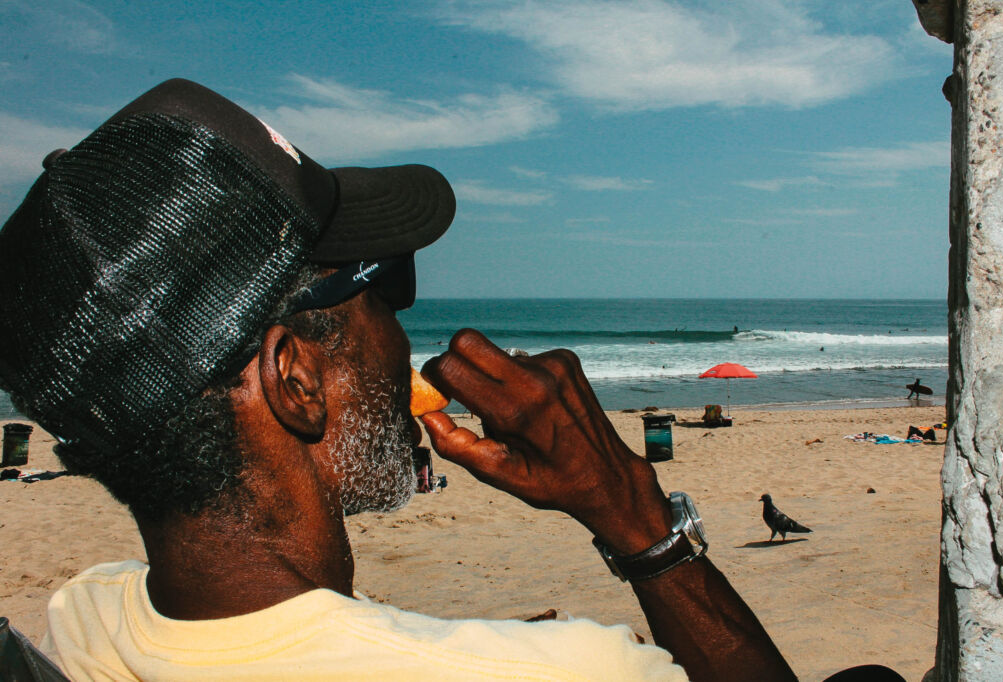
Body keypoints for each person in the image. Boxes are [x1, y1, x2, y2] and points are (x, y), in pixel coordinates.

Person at [0, 80, 892, 681]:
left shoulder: (88, 619)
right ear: (295, 379)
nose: (401, 336)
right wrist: (637, 520)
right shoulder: (577, 672)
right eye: (386, 288)